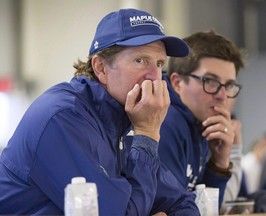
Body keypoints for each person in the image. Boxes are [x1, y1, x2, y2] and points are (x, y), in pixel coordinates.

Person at [0, 8, 200, 215]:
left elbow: (181, 201)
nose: (155, 76)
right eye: (140, 60)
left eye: (159, 64)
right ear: (101, 68)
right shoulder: (63, 117)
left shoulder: (126, 120)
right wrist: (148, 133)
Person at [158, 30, 246, 207]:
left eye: (229, 85)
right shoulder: (166, 122)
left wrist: (219, 162)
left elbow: (206, 209)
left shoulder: (202, 124)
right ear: (177, 83)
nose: (222, 95)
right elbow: (171, 209)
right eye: (210, 81)